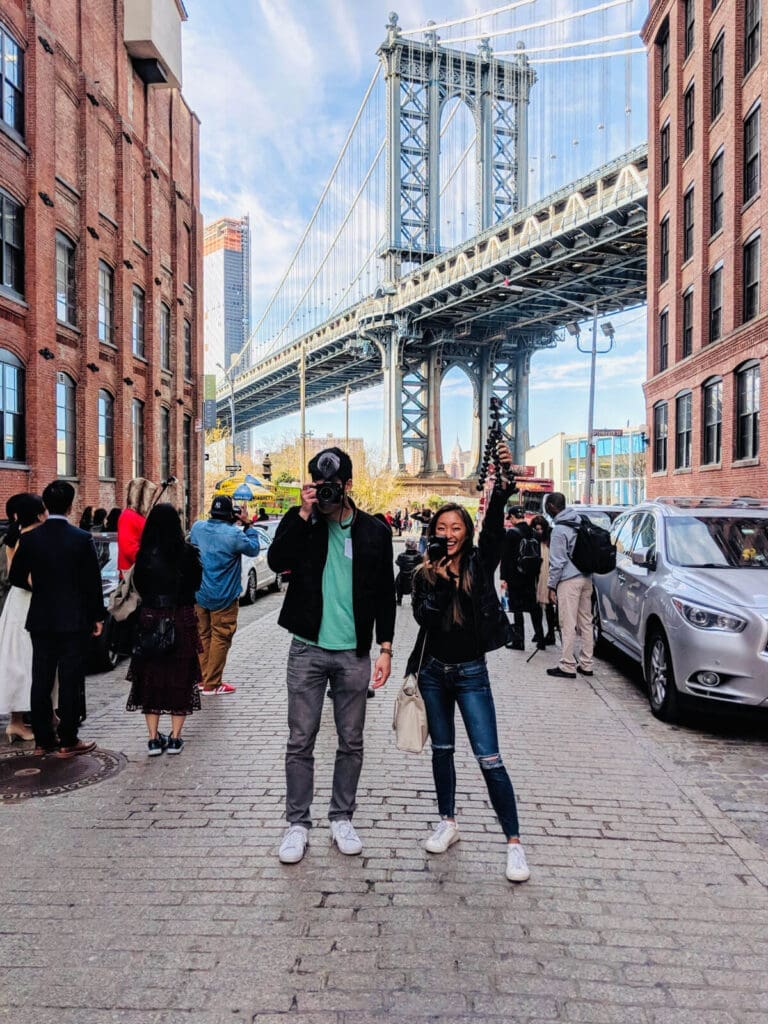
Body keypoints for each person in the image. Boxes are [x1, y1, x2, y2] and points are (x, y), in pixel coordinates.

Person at [267, 446, 395, 865]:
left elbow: (385, 595)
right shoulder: (303, 523)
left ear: (349, 485)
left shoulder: (375, 531)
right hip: (307, 647)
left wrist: (386, 648)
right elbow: (276, 560)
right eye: (320, 486)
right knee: (300, 739)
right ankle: (297, 824)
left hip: (354, 653)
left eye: (333, 486)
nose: (327, 493)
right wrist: (302, 514)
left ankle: (341, 816)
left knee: (351, 740)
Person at [407, 449, 530, 883]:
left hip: (472, 673)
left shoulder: (480, 563)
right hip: (434, 673)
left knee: (489, 758)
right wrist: (438, 580)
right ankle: (448, 821)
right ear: (432, 532)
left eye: (456, 528)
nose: (449, 533)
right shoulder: (423, 572)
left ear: (466, 533)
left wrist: (500, 480)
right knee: (443, 752)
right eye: (442, 528)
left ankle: (514, 843)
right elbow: (424, 619)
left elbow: (495, 528)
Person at [9, 481, 104, 757]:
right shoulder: (80, 538)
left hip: (40, 618)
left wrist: (39, 586)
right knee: (70, 679)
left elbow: (16, 576)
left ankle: (42, 740)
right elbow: (92, 583)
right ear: (71, 505)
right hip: (73, 620)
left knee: (41, 678)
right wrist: (96, 616)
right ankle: (68, 739)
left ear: (46, 507)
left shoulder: (29, 538)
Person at [126, 504, 203, 755]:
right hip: (181, 618)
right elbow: (197, 583)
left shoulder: (144, 556)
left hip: (150, 618)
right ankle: (175, 737)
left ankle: (152, 738)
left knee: (150, 678)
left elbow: (138, 586)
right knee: (181, 677)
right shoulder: (188, 553)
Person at [189, 495, 261, 695]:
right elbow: (254, 549)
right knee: (221, 637)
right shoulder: (233, 535)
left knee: (203, 636)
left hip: (200, 593)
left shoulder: (197, 528)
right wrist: (248, 524)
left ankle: (204, 679)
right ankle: (212, 683)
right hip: (224, 596)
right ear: (231, 515)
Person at [0, 494, 47, 742]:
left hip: (17, 602)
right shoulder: (27, 539)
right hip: (28, 602)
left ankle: (20, 720)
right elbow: (20, 574)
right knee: (25, 659)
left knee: (18, 659)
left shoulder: (13, 537)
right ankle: (17, 721)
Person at [544, 492, 593, 679]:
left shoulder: (559, 530)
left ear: (552, 507)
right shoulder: (579, 520)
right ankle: (587, 664)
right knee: (586, 622)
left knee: (568, 623)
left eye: (547, 506)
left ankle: (567, 665)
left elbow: (557, 563)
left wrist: (551, 586)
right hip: (586, 578)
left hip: (569, 581)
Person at [500, 508, 543, 651]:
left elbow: (505, 558)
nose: (510, 521)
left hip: (515, 576)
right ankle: (540, 638)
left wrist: (504, 578)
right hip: (530, 576)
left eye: (510, 518)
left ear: (512, 517)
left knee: (517, 608)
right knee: (533, 607)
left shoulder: (511, 533)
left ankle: (519, 640)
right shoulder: (534, 533)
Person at [117, 478, 162, 574]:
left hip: (139, 571)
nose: (150, 501)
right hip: (133, 572)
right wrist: (151, 562)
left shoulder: (136, 516)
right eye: (149, 497)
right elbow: (129, 548)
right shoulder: (128, 516)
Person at [531, 515, 557, 646]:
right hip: (538, 573)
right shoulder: (534, 540)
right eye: (537, 529)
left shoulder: (551, 538)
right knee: (537, 605)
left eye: (540, 529)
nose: (539, 532)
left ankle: (550, 633)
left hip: (547, 572)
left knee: (547, 605)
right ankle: (539, 632)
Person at [395, 537, 422, 606]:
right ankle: (414, 600)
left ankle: (399, 600)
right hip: (414, 577)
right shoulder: (419, 556)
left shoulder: (401, 556)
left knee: (398, 581)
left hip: (403, 577)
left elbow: (398, 563)